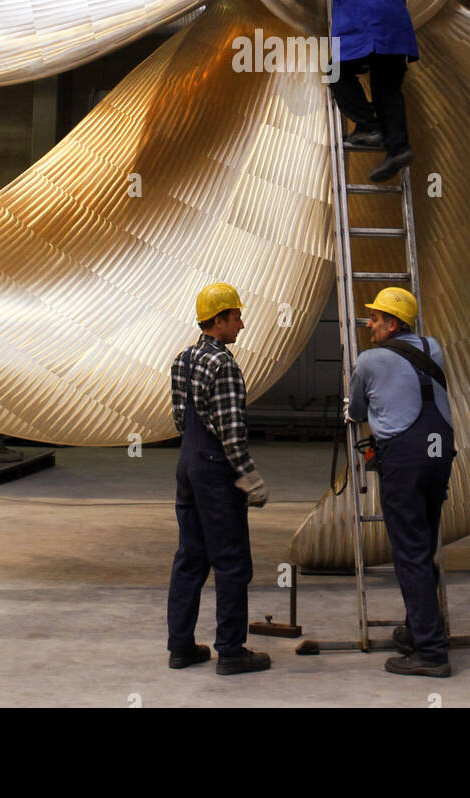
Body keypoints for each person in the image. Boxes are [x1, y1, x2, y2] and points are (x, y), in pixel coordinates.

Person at [347, 287, 456, 677]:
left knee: (409, 552)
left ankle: (430, 652)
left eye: (375, 318)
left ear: (392, 324)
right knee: (423, 544)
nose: (369, 324)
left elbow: (357, 409)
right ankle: (420, 628)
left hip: (404, 458)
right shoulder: (433, 347)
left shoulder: (369, 360)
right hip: (438, 451)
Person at [166, 282, 271, 675]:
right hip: (214, 470)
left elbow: (180, 418)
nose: (241, 325)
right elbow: (231, 430)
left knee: (190, 557)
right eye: (236, 317)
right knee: (230, 561)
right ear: (218, 320)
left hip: (188, 464)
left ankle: (181, 647)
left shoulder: (183, 359)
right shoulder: (224, 365)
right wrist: (247, 476)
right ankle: (230, 651)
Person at [303, 0, 417, 183]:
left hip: (369, 26)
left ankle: (369, 125)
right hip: (396, 28)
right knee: (387, 88)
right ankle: (398, 148)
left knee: (336, 71)